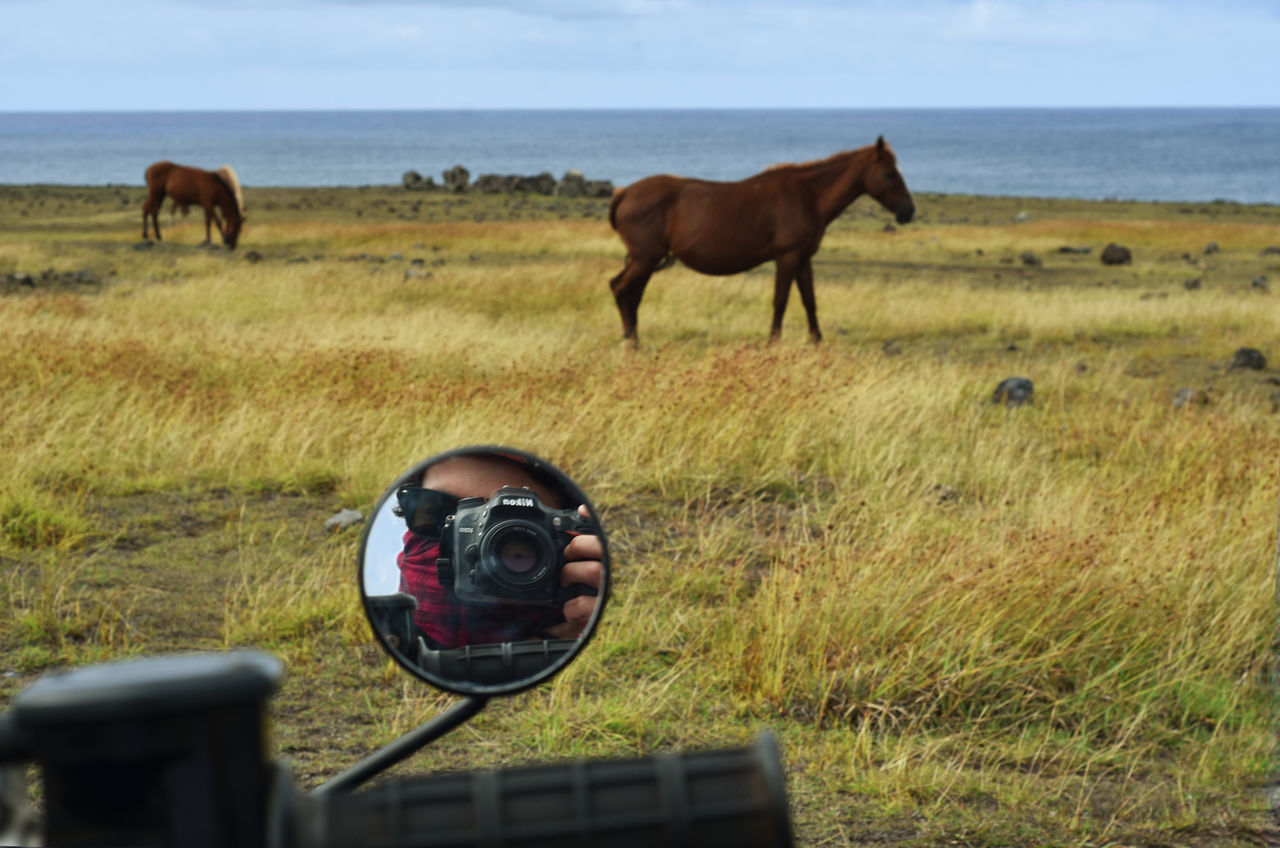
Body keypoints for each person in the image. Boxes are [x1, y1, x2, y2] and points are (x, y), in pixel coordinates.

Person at [395, 451, 603, 650]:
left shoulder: (587, 600)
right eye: (435, 511)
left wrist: (610, 618)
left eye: (516, 531)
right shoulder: (389, 623)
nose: (478, 547)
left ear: (567, 537)